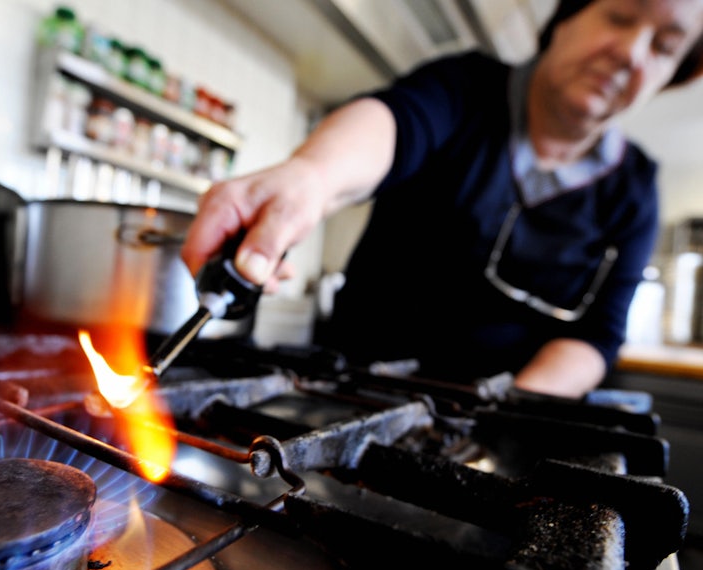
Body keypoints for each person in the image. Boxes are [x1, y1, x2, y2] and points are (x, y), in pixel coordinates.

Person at [180, 0, 703, 398]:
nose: (631, 53)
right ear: (565, 19)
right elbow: (393, 124)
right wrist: (310, 178)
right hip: (352, 395)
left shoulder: (634, 188)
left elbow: (598, 334)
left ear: (671, 75)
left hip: (498, 425)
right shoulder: (465, 88)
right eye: (619, 16)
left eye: (664, 47)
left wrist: (507, 411)